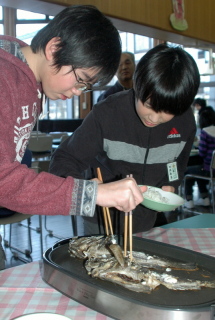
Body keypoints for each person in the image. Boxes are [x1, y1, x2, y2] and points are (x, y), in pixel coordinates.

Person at [0, 5, 146, 269]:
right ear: (54, 49)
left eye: (86, 86)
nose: (79, 92)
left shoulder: (32, 84)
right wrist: (92, 194)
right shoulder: (4, 78)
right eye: (81, 80)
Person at [49, 43, 200, 235]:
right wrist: (89, 191)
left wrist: (170, 184)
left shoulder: (185, 122)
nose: (154, 118)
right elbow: (64, 159)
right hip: (102, 220)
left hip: (147, 220)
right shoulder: (107, 113)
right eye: (149, 104)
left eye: (167, 112)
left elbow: (176, 164)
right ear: (138, 85)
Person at [184, 107, 215, 209]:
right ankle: (204, 198)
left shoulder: (206, 132)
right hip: (211, 170)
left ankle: (188, 200)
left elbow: (202, 153)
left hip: (209, 170)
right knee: (199, 169)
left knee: (188, 171)